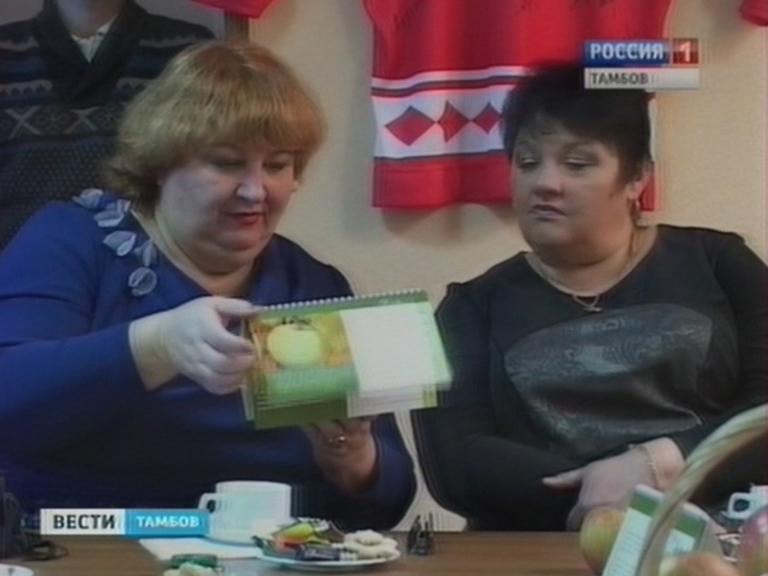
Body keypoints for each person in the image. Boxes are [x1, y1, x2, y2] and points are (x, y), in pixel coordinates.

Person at [0, 40, 415, 530]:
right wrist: (157, 344)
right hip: (95, 545)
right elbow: (11, 402)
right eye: (226, 163)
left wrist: (352, 460)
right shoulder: (69, 241)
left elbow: (389, 504)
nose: (256, 191)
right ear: (161, 164)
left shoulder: (310, 281)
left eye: (277, 165)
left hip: (267, 551)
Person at [413, 66, 768, 531]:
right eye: (527, 162)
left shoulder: (721, 265)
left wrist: (658, 464)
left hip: (717, 541)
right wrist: (604, 489)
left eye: (577, 164)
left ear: (637, 177)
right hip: (540, 547)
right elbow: (457, 465)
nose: (546, 183)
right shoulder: (470, 307)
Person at [0, 0, 213, 249]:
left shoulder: (188, 52)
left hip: (150, 262)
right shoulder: (6, 52)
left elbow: (207, 183)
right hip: (19, 261)